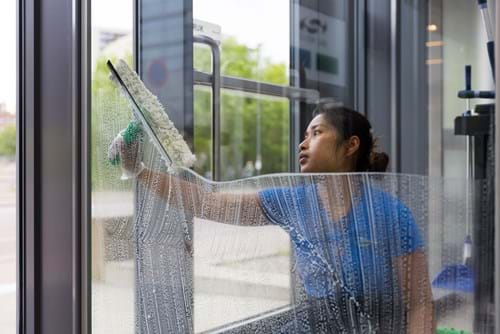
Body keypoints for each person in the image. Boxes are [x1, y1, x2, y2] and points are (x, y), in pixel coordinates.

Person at [111, 104, 434, 333]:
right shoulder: (294, 201)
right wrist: (138, 171)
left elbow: (419, 303)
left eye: (316, 133)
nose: (303, 142)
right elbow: (208, 202)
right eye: (305, 134)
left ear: (351, 145)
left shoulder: (392, 215)